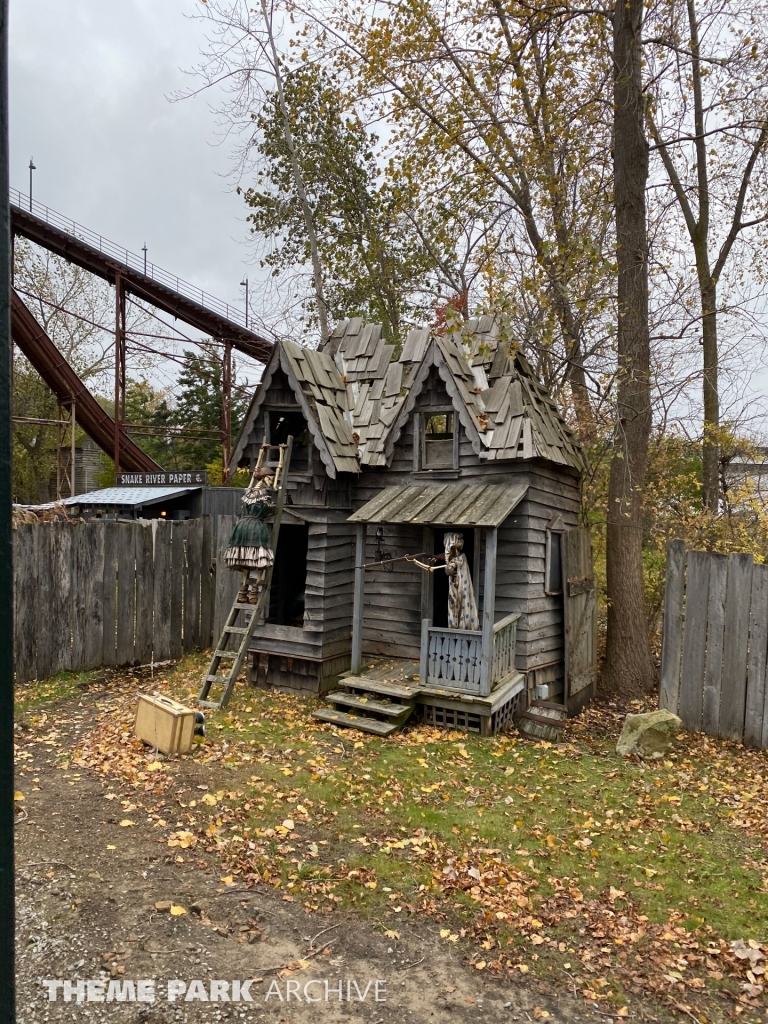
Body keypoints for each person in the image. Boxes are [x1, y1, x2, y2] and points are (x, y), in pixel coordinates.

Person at [224, 466, 276, 603]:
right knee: (260, 557)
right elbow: (269, 509)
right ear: (264, 478)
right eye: (271, 478)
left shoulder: (248, 492)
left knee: (246, 558)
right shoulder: (265, 495)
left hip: (242, 526)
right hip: (256, 526)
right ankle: (254, 591)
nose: (272, 481)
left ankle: (243, 590)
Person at [444, 532, 479, 630]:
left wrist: (449, 568)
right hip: (454, 590)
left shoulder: (460, 558)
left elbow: (453, 565)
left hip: (461, 589)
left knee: (461, 607)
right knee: (453, 605)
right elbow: (446, 558)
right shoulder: (453, 558)